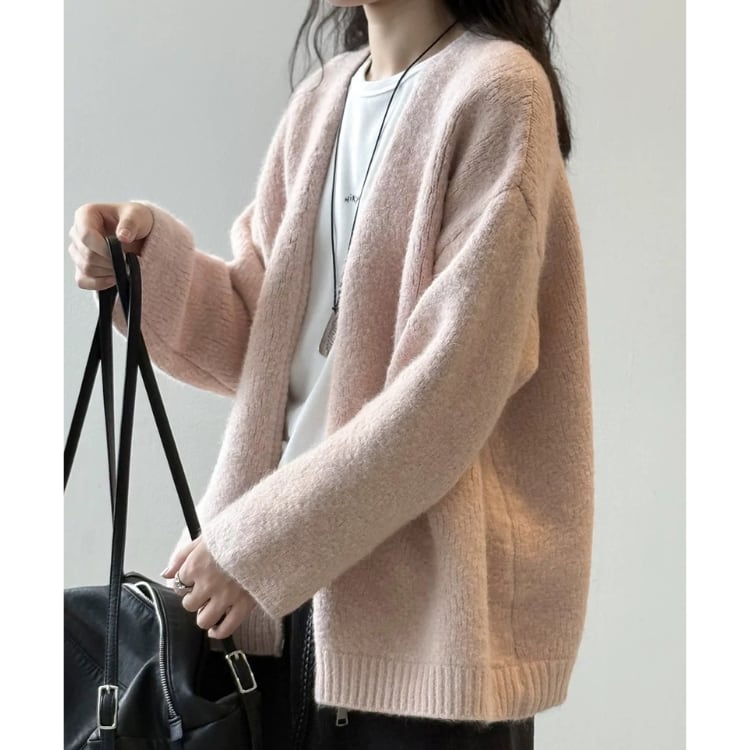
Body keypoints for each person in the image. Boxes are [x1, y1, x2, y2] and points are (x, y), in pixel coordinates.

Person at [67, 1, 593, 747]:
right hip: (278, 615)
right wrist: (143, 268)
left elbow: (448, 394)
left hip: (417, 633)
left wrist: (256, 545)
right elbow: (268, 337)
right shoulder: (324, 98)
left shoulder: (499, 91)